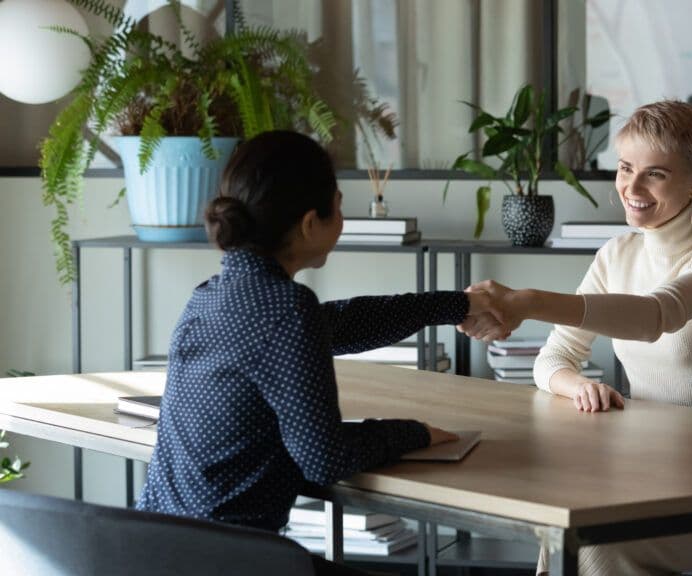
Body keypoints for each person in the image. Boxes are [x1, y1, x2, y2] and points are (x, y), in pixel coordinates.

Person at [136, 130, 500, 575]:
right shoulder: (286, 307)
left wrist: (455, 304)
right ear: (311, 223)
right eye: (340, 205)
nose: (342, 218)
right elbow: (325, 459)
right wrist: (414, 432)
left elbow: (344, 322)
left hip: (155, 549)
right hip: (229, 561)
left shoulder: (209, 298)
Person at [459, 101, 692, 575]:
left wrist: (528, 301)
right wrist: (578, 386)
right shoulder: (616, 254)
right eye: (626, 168)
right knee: (565, 531)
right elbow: (552, 360)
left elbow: (656, 315)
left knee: (594, 549)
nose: (631, 188)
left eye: (655, 174)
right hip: (642, 473)